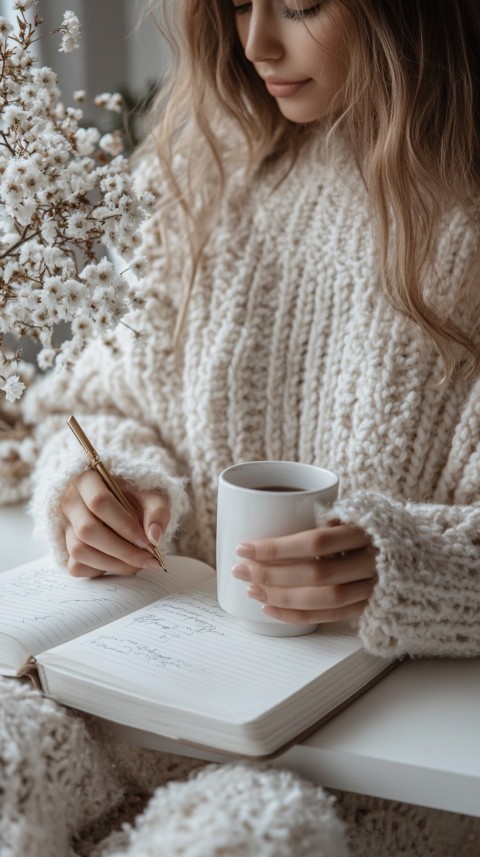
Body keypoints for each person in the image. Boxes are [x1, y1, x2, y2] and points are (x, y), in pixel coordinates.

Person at [2, 1, 480, 855]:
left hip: (354, 760)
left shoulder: (462, 226)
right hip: (138, 700)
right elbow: (106, 397)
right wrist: (104, 484)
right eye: (233, 4)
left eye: (298, 5)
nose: (252, 43)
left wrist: (403, 566)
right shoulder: (202, 168)